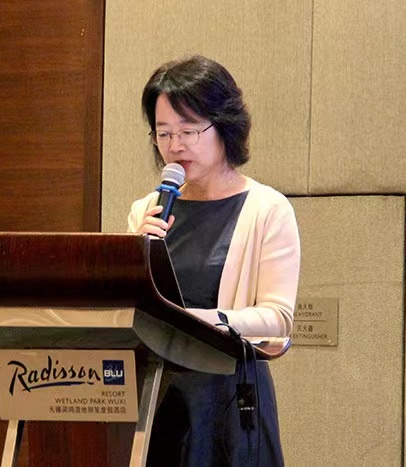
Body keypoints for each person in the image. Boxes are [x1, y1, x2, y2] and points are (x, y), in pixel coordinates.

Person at [127, 55, 300, 466]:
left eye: (188, 130)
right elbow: (133, 314)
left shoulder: (267, 209)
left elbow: (277, 319)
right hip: (156, 396)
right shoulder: (146, 210)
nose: (175, 145)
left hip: (229, 402)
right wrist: (135, 256)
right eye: (163, 133)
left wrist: (206, 321)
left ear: (224, 126)